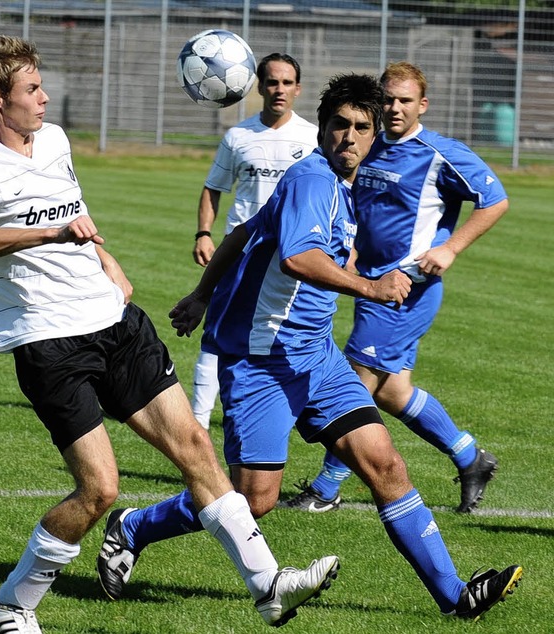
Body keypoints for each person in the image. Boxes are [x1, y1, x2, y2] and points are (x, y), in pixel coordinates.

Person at [0, 36, 340, 633]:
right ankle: (10, 606)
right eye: (32, 90)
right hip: (48, 341)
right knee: (99, 491)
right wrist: (48, 237)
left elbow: (73, 210)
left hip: (114, 322)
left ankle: (268, 586)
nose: (45, 98)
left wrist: (106, 260)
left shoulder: (55, 140)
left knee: (196, 448)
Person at [96, 73, 522, 621]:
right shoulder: (313, 181)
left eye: (361, 127)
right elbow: (298, 258)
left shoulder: (341, 187)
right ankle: (134, 526)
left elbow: (244, 232)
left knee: (386, 465)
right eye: (339, 125)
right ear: (321, 130)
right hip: (263, 359)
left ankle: (455, 596)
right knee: (253, 501)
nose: (349, 136)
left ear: (374, 138)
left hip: (316, 357)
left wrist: (203, 294)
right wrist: (370, 285)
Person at [282, 61, 509, 515]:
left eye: (405, 100)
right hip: (371, 285)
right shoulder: (370, 145)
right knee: (391, 392)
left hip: (408, 288)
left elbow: (495, 199)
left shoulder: (439, 152)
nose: (394, 108)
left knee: (355, 383)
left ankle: (326, 489)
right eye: (388, 99)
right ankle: (470, 457)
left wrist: (451, 249)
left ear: (422, 105)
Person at [191, 52, 318, 429]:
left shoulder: (312, 137)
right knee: (217, 335)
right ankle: (196, 425)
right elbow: (213, 188)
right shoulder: (238, 136)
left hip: (292, 255)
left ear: (298, 89)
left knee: (285, 339)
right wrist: (203, 233)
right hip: (241, 251)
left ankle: (274, 413)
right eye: (272, 82)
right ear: (259, 86)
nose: (279, 90)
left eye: (286, 83)